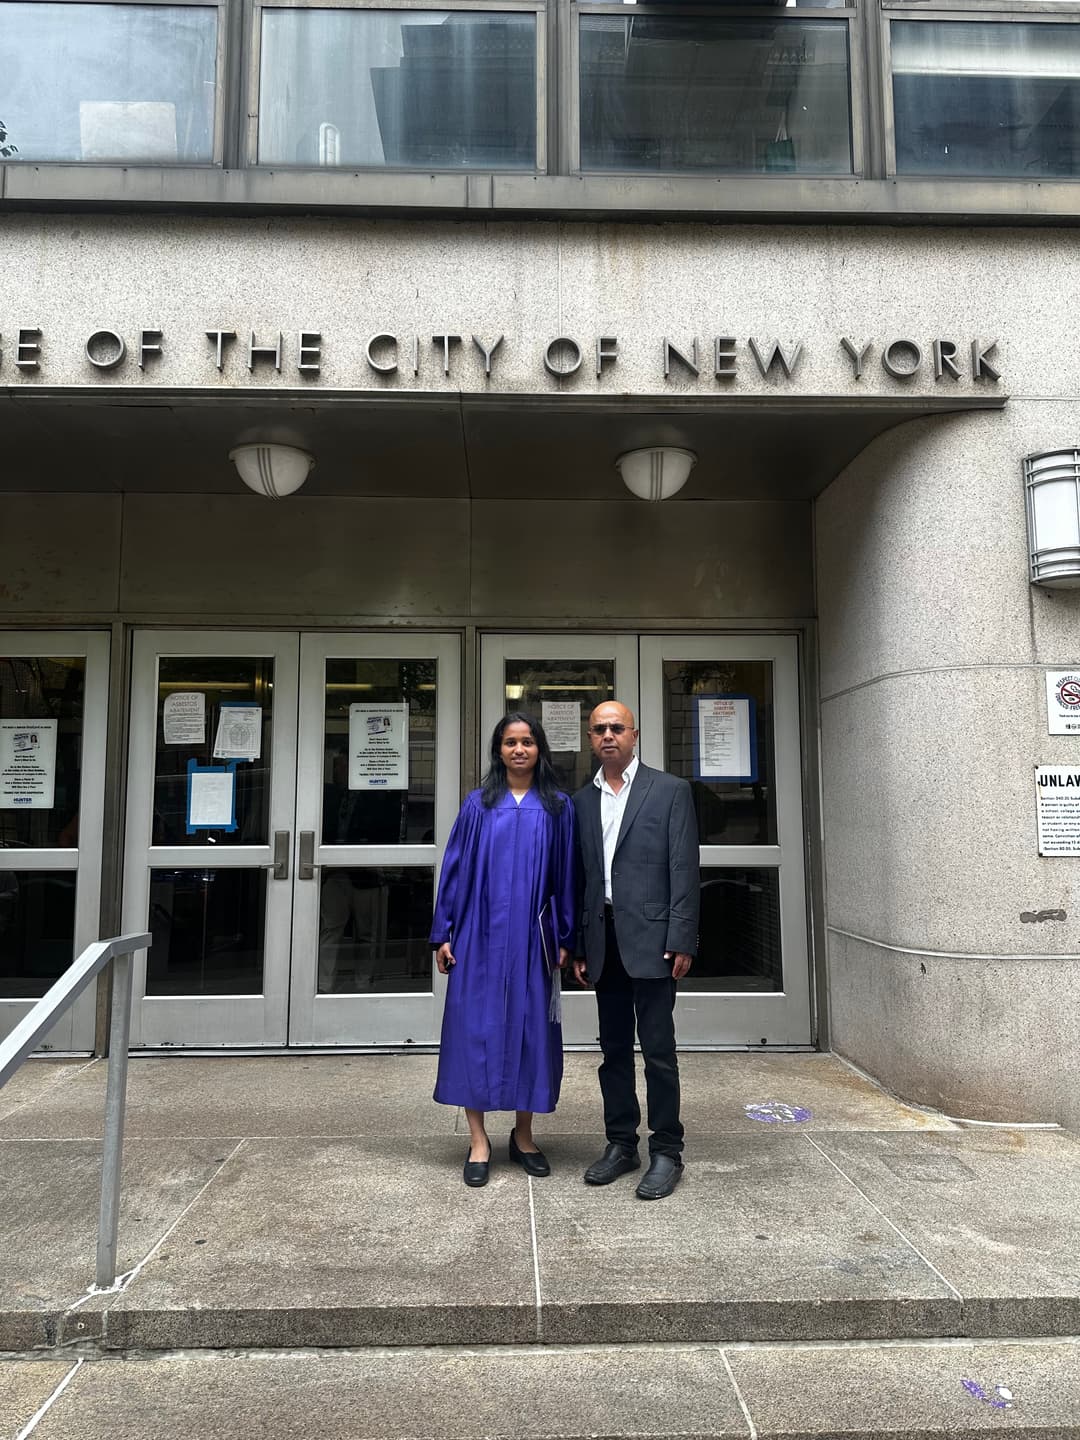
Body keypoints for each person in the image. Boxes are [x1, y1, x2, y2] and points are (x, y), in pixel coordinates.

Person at [431, 713, 576, 1187]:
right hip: (478, 937)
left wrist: (564, 938)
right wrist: (444, 931)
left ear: (539, 750)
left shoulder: (558, 807)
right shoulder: (478, 805)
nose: (519, 749)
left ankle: (525, 1135)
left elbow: (567, 878)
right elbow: (453, 870)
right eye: (511, 742)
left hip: (534, 940)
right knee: (474, 1032)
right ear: (498, 750)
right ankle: (478, 1141)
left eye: (528, 742)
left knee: (531, 1033)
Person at [572, 700, 699, 1200]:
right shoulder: (580, 802)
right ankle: (621, 1144)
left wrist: (681, 937)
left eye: (617, 728)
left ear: (635, 735)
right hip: (603, 942)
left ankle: (667, 1150)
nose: (608, 736)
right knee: (613, 1053)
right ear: (590, 738)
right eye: (599, 729)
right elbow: (581, 879)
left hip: (654, 943)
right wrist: (580, 944)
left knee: (660, 1054)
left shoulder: (669, 791)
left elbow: (684, 869)